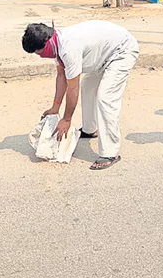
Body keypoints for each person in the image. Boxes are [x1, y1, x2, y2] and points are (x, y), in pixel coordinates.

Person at [22, 21, 139, 170]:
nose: (40, 57)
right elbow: (61, 75)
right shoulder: (56, 41)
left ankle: (110, 153)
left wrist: (66, 119)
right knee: (87, 87)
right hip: (104, 56)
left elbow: (72, 87)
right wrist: (55, 107)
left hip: (122, 51)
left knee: (106, 97)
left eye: (39, 53)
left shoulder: (68, 48)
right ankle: (90, 130)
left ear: (46, 42)